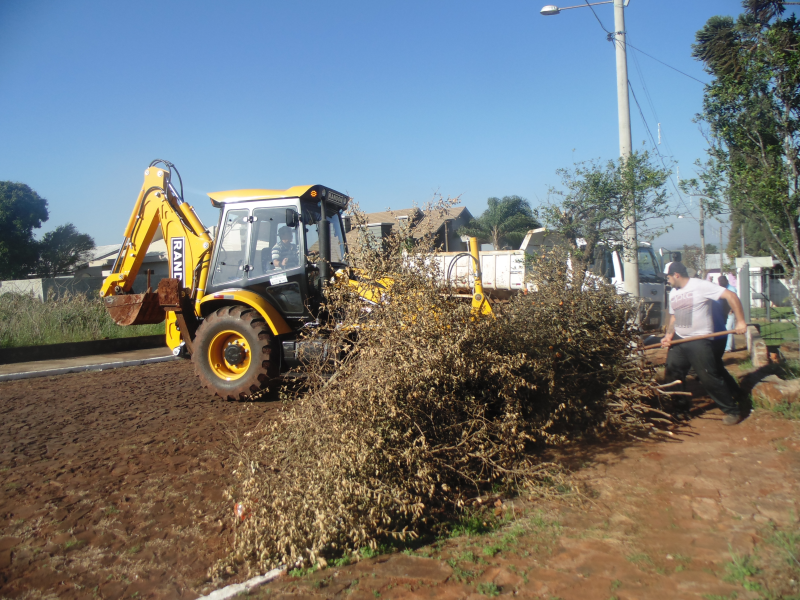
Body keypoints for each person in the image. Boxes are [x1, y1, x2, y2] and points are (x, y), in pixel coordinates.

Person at [661, 262, 747, 425]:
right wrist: (669, 335)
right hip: (680, 338)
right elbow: (674, 316)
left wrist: (740, 321)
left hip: (699, 339)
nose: (667, 280)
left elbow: (731, 296)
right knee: (673, 375)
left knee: (708, 377)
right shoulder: (673, 293)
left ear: (676, 275)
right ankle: (680, 411)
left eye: (668, 277)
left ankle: (732, 410)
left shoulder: (700, 285)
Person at [717, 275, 738, 352]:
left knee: (728, 329)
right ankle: (732, 346)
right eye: (720, 282)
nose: (721, 283)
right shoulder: (721, 289)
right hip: (723, 312)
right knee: (727, 329)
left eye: (722, 281)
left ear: (726, 281)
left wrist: (732, 310)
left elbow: (735, 301)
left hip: (730, 312)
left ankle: (728, 348)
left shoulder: (731, 289)